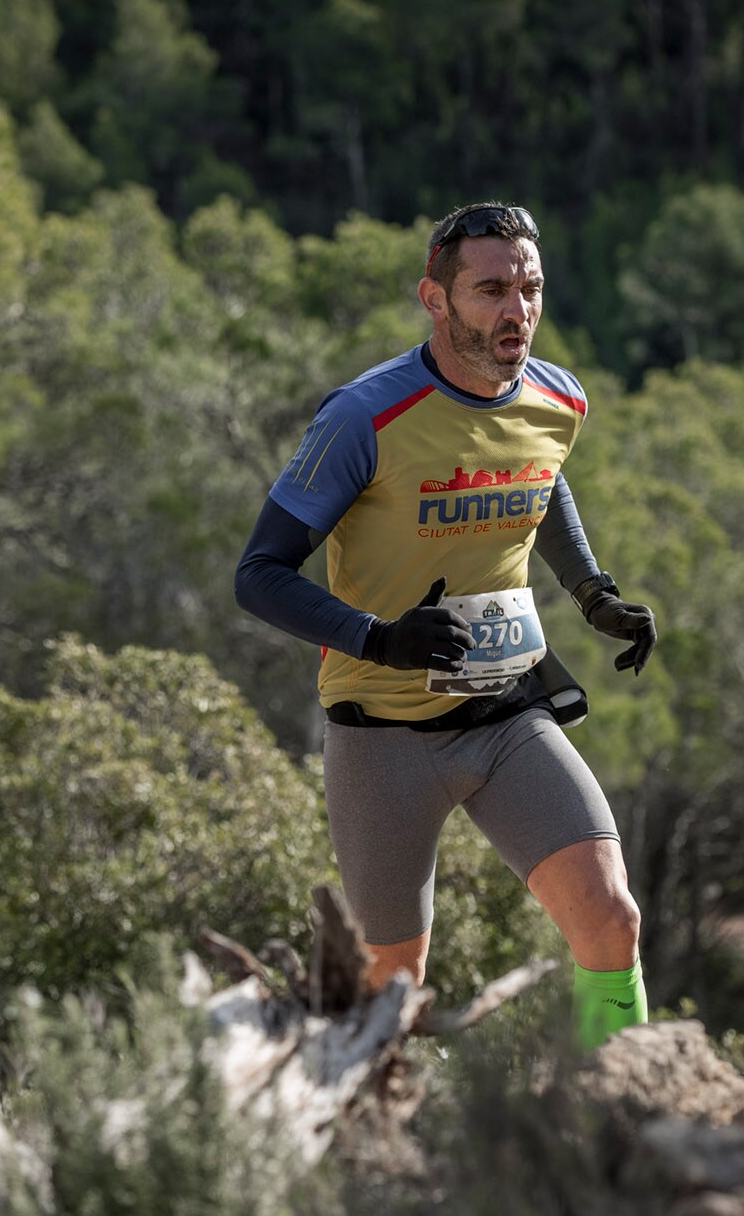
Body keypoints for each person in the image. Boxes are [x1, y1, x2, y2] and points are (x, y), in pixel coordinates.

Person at [234, 202, 659, 1050]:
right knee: (393, 991)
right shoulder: (364, 417)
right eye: (492, 289)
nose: (518, 310)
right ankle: (369, 1148)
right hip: (383, 740)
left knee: (611, 916)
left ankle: (624, 1118)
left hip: (508, 717)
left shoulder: (559, 398)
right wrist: (377, 637)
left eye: (531, 288)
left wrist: (593, 593)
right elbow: (258, 575)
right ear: (436, 298)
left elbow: (540, 483)